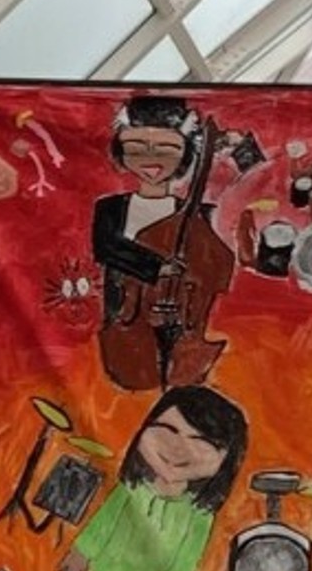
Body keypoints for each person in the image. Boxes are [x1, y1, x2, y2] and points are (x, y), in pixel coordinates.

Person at [59, 386, 248, 571]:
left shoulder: (200, 512)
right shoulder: (133, 487)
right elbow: (104, 521)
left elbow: (189, 555)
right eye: (168, 430)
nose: (177, 447)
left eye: (199, 441)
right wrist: (81, 552)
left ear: (225, 457)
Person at [92, 94, 236, 392]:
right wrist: (157, 268)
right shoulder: (111, 208)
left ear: (184, 156)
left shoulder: (199, 213)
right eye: (136, 148)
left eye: (167, 150)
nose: (151, 159)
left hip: (183, 320)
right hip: (127, 318)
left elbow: (219, 268)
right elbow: (107, 248)